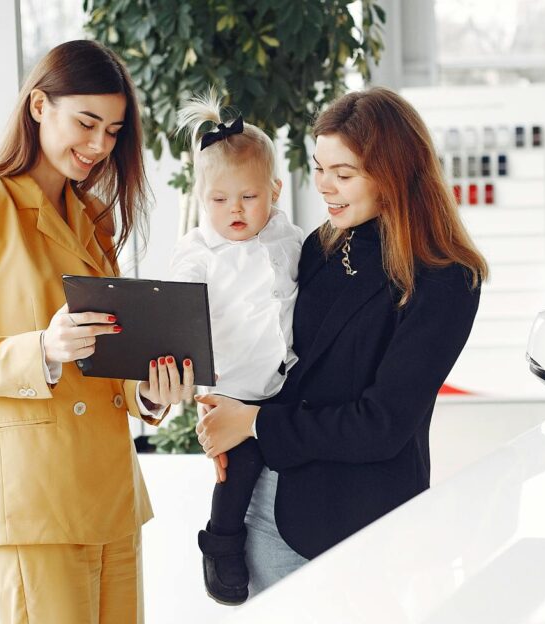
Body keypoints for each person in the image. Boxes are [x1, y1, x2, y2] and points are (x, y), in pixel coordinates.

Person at [0, 40, 193, 624]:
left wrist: (148, 393)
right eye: (86, 123)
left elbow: (107, 353)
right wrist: (41, 347)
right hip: (32, 501)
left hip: (111, 496)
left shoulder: (92, 215)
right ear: (39, 106)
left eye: (113, 131)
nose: (98, 146)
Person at [195, 86, 487, 595]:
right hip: (271, 507)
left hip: (365, 524)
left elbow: (383, 424)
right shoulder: (321, 246)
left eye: (344, 174)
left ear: (393, 174)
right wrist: (226, 408)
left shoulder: (445, 280)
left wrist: (254, 422)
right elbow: (280, 360)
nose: (325, 187)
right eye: (320, 168)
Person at [168, 91, 303, 605]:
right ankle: (221, 543)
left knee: (288, 454)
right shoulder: (200, 250)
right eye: (219, 201)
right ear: (203, 201)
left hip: (287, 380)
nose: (235, 211)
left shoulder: (288, 237)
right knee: (239, 466)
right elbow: (179, 301)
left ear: (274, 189)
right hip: (233, 387)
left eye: (248, 197)